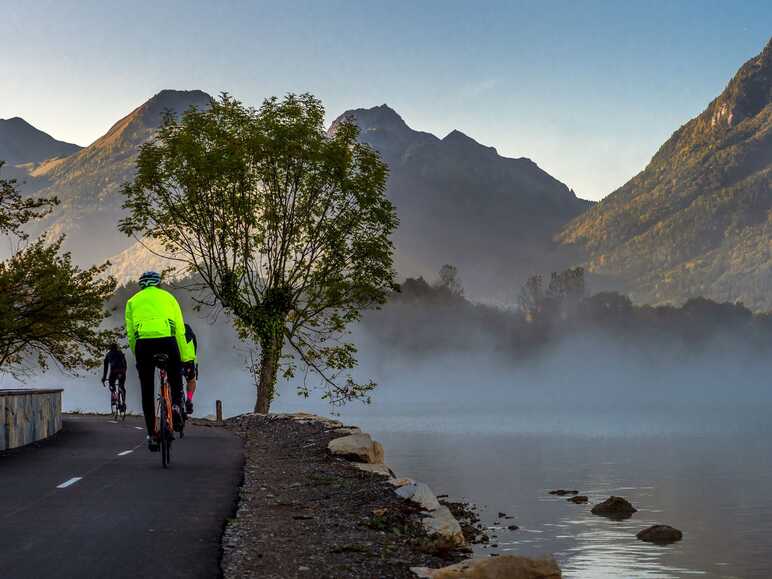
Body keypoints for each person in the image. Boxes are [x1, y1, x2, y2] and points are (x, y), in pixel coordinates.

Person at [124, 271, 195, 451]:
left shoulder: (132, 302)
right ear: (158, 284)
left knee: (147, 390)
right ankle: (177, 406)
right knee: (174, 377)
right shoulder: (169, 298)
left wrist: (138, 356)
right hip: (167, 341)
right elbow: (180, 330)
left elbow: (131, 335)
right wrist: (185, 358)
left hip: (144, 345)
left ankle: (152, 435)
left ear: (142, 285)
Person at [101, 343, 127, 411]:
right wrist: (123, 372)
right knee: (122, 386)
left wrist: (104, 378)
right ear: (117, 347)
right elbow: (125, 364)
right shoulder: (121, 353)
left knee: (111, 383)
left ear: (110, 348)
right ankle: (123, 403)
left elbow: (106, 368)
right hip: (122, 371)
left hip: (114, 372)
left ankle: (114, 396)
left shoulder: (108, 354)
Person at [182, 323, 199, 415]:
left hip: (171, 358)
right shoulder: (187, 327)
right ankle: (189, 399)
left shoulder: (166, 327)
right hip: (187, 359)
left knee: (169, 379)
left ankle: (168, 400)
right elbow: (194, 343)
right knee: (191, 380)